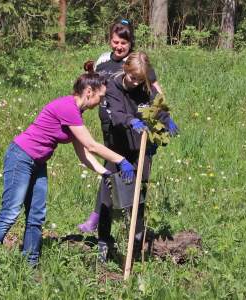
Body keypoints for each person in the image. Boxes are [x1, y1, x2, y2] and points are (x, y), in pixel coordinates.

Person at [0, 72, 136, 272]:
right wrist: (120, 160)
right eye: (100, 97)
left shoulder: (76, 114)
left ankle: (30, 266)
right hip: (21, 158)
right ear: (89, 92)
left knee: (36, 215)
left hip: (38, 163)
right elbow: (91, 145)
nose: (101, 102)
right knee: (10, 213)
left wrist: (104, 172)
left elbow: (83, 153)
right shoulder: (67, 107)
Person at [78, 18, 164, 232]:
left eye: (123, 43)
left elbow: (154, 89)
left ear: (130, 43)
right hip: (110, 123)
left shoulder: (135, 63)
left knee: (129, 170)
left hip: (133, 127)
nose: (118, 46)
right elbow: (92, 84)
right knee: (112, 168)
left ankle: (128, 218)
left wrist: (162, 118)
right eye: (115, 42)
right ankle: (100, 217)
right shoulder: (104, 60)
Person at [92, 51, 178, 263]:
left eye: (140, 80)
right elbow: (117, 113)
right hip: (117, 146)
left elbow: (156, 108)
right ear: (125, 71)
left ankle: (136, 240)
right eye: (133, 78)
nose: (135, 83)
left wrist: (167, 120)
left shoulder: (144, 88)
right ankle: (104, 240)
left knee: (139, 192)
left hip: (139, 147)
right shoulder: (113, 86)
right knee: (109, 192)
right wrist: (130, 121)